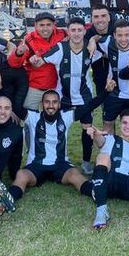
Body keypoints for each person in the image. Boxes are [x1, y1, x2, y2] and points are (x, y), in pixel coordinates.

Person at [7, 86, 113, 203]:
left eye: (54, 102)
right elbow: (14, 105)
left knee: (74, 174)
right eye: (47, 102)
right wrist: (1, 88)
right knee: (21, 174)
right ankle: (8, 199)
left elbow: (89, 106)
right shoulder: (32, 117)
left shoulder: (66, 117)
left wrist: (106, 91)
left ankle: (95, 193)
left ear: (59, 105)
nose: (51, 106)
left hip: (60, 165)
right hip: (36, 165)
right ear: (42, 104)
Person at [36, 17, 99, 174]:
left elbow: (108, 39)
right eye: (73, 30)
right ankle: (59, 158)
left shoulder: (92, 48)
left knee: (87, 129)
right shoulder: (59, 48)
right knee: (59, 129)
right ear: (68, 32)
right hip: (63, 97)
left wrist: (94, 39)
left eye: (80, 30)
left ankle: (86, 162)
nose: (77, 34)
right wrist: (33, 59)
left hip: (85, 98)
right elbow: (39, 62)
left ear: (84, 31)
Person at [8, 11, 67, 111]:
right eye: (41, 25)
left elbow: (82, 30)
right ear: (35, 26)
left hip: (57, 86)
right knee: (29, 117)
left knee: (55, 117)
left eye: (48, 25)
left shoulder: (63, 34)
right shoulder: (29, 39)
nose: (45, 29)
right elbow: (13, 63)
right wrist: (19, 53)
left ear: (54, 25)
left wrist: (92, 40)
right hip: (35, 86)